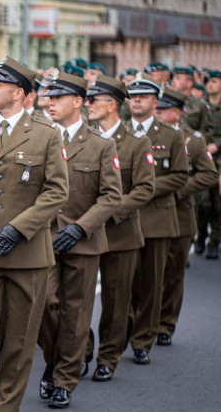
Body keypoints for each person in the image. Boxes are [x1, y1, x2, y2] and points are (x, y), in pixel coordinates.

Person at [0, 57, 69, 412]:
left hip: (26, 252)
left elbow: (57, 191)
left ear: (19, 93)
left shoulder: (46, 133)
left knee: (19, 335)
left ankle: (2, 406)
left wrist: (20, 228)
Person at [36, 72, 121, 408]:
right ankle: (54, 360)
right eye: (48, 97)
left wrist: (80, 227)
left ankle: (64, 380)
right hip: (45, 238)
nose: (50, 103)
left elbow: (111, 196)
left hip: (83, 242)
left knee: (76, 311)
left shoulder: (101, 144)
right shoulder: (41, 138)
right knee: (44, 304)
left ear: (78, 102)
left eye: (58, 98)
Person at [86, 78, 155, 382]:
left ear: (111, 104)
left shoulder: (137, 143)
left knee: (115, 301)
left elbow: (144, 189)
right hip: (85, 232)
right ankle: (82, 349)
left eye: (92, 100)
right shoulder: (83, 139)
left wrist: (106, 212)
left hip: (120, 233)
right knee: (75, 299)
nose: (86, 104)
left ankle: (108, 357)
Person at [125, 75, 189, 366]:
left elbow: (179, 176)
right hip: (126, 218)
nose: (136, 101)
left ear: (155, 102)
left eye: (143, 97)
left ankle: (142, 340)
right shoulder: (119, 133)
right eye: (133, 96)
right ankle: (123, 330)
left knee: (152, 282)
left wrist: (145, 188)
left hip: (157, 218)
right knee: (125, 283)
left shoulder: (171, 135)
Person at [155, 87, 218, 346]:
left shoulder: (192, 140)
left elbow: (209, 174)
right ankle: (143, 320)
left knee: (173, 274)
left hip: (180, 215)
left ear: (177, 113)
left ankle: (166, 324)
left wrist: (180, 190)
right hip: (149, 215)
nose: (156, 113)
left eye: (162, 110)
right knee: (145, 273)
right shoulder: (146, 137)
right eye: (155, 109)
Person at [195, 68, 221, 257]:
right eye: (208, 82)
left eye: (215, 81)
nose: (210, 84)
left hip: (219, 160)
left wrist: (217, 146)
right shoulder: (200, 106)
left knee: (218, 204)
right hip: (203, 160)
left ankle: (214, 242)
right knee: (202, 202)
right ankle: (201, 234)